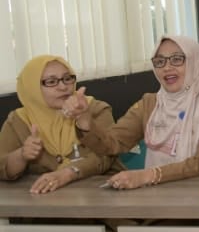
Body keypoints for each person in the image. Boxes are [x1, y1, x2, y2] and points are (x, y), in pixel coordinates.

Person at [72, 35, 199, 188]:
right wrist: (86, 123)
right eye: (160, 61)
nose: (167, 67)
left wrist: (149, 175)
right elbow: (113, 143)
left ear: (195, 62)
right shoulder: (150, 104)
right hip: (156, 197)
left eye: (177, 59)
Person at [1, 55, 116, 194]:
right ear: (32, 88)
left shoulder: (94, 109)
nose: (63, 87)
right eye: (51, 81)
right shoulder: (19, 121)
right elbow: (2, 166)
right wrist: (21, 155)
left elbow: (108, 155)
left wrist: (68, 173)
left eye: (67, 79)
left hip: (101, 194)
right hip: (43, 200)